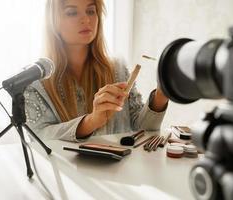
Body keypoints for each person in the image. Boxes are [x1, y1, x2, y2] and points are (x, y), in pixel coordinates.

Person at [24, 0, 169, 142]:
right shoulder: (34, 82)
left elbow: (141, 130)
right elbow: (38, 138)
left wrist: (162, 94)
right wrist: (91, 121)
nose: (86, 19)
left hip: (120, 166)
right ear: (53, 22)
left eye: (91, 11)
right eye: (72, 13)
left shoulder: (118, 69)